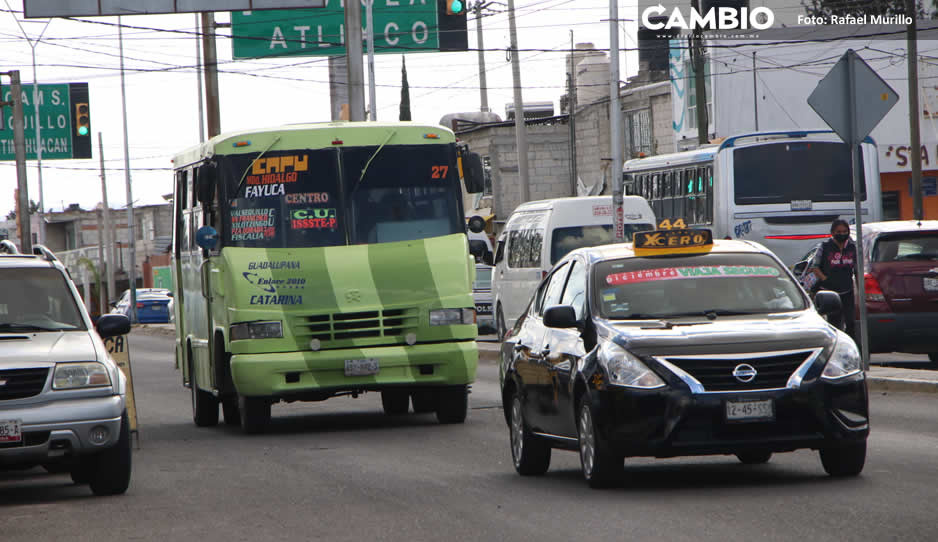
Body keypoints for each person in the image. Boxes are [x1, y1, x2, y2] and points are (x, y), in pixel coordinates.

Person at [808, 218, 857, 338]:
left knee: (851, 322)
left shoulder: (852, 247)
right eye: (838, 232)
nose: (842, 234)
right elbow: (815, 267)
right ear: (832, 232)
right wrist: (826, 279)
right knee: (834, 323)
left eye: (845, 231)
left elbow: (857, 268)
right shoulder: (824, 247)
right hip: (829, 293)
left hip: (847, 291)